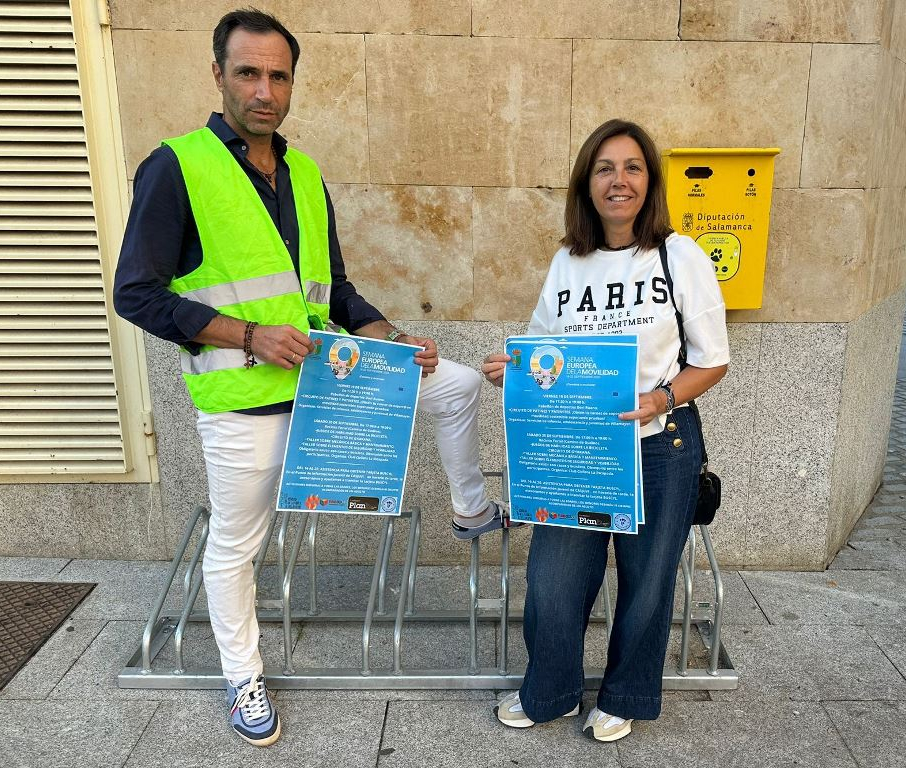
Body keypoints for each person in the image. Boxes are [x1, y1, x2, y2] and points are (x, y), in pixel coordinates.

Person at [113, 9, 510, 747]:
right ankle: (244, 682)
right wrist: (250, 335)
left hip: (332, 379)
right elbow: (136, 293)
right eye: (248, 73)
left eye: (278, 75)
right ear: (218, 76)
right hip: (243, 401)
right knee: (238, 546)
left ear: (292, 82)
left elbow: (334, 291)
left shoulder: (303, 172)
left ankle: (470, 511)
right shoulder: (177, 166)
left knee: (454, 384)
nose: (265, 90)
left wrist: (393, 339)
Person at [482, 119, 729, 742]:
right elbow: (545, 355)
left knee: (647, 580)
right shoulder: (568, 262)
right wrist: (512, 372)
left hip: (660, 446)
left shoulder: (680, 256)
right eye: (604, 168)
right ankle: (552, 691)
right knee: (554, 579)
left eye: (632, 168)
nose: (619, 181)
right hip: (579, 447)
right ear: (586, 184)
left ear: (650, 181)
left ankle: (624, 695)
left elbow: (713, 358)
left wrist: (659, 398)